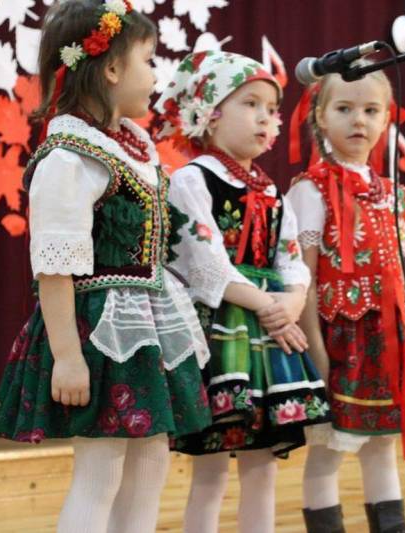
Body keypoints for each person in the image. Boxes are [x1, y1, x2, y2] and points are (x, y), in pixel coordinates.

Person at [0, 2, 211, 531]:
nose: (156, 75)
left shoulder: (132, 148)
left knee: (150, 463)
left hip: (145, 328)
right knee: (101, 472)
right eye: (148, 60)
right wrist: (68, 357)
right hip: (100, 333)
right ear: (111, 68)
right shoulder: (70, 157)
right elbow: (54, 267)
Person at [154, 50, 331, 533]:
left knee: (262, 467)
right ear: (209, 112)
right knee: (210, 470)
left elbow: (292, 259)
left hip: (267, 335)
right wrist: (272, 306)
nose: (265, 118)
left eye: (271, 109)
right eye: (250, 104)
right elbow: (204, 263)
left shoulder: (272, 191)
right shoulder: (191, 180)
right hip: (220, 333)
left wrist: (291, 302)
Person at [286, 66, 405, 532]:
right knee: (328, 449)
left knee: (382, 444)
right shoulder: (311, 189)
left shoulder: (395, 195)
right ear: (320, 115)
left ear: (386, 118)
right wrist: (315, 350)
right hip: (339, 341)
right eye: (345, 108)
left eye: (371, 110)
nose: (359, 120)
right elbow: (304, 277)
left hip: (388, 340)